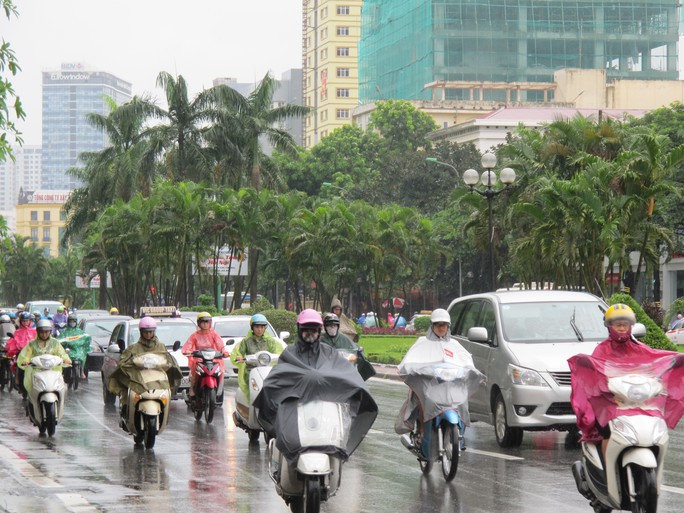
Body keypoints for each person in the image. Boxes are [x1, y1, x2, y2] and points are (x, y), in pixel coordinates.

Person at [569, 303, 684, 457]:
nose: (622, 328)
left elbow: (656, 358)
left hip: (638, 402)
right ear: (609, 327)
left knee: (655, 423)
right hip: (612, 403)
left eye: (625, 324)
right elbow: (595, 374)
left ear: (631, 326)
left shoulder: (641, 348)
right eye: (618, 325)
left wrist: (676, 359)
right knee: (607, 432)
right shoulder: (601, 350)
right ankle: (607, 472)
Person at [395, 308, 481, 452]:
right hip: (428, 385)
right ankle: (422, 431)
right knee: (423, 400)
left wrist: (471, 371)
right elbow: (409, 361)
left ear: (448, 326)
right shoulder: (422, 342)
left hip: (450, 385)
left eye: (444, 325)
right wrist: (415, 369)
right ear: (432, 326)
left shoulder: (455, 345)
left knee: (462, 400)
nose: (441, 328)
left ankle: (459, 434)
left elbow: (466, 361)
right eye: (437, 324)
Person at [107, 316, 181, 400]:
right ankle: (125, 404)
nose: (148, 334)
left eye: (150, 332)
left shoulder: (161, 346)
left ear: (154, 331)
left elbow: (167, 360)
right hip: (138, 381)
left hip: (158, 381)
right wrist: (131, 363)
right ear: (141, 332)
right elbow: (122, 363)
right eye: (146, 332)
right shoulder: (133, 348)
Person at [230, 313, 282, 398]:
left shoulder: (271, 341)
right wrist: (238, 358)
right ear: (252, 328)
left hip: (267, 370)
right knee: (252, 388)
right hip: (250, 370)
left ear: (265, 328)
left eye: (262, 327)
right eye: (257, 327)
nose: (259, 330)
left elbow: (278, 353)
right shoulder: (246, 341)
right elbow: (237, 353)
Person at [181, 311, 226, 403]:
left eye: (207, 322)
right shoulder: (195, 335)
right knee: (194, 374)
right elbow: (188, 346)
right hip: (199, 360)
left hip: (213, 359)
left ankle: (218, 390)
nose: (205, 324)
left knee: (220, 372)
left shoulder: (214, 334)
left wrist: (224, 352)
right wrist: (188, 351)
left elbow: (220, 345)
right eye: (203, 322)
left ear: (210, 323)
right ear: (199, 323)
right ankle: (192, 391)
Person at [17, 319, 72, 392]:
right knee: (26, 378)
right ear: (38, 332)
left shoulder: (55, 343)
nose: (44, 335)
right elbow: (28, 354)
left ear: (50, 332)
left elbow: (62, 353)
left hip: (53, 369)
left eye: (46, 332)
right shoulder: (32, 344)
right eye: (41, 332)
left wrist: (66, 359)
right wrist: (26, 361)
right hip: (36, 370)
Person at [57, 313, 92, 379]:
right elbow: (59, 340)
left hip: (78, 350)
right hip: (69, 350)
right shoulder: (65, 332)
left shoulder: (80, 332)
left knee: (83, 354)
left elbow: (86, 337)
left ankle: (81, 371)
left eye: (74, 321)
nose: (72, 323)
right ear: (68, 322)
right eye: (71, 321)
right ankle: (62, 372)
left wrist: (83, 342)